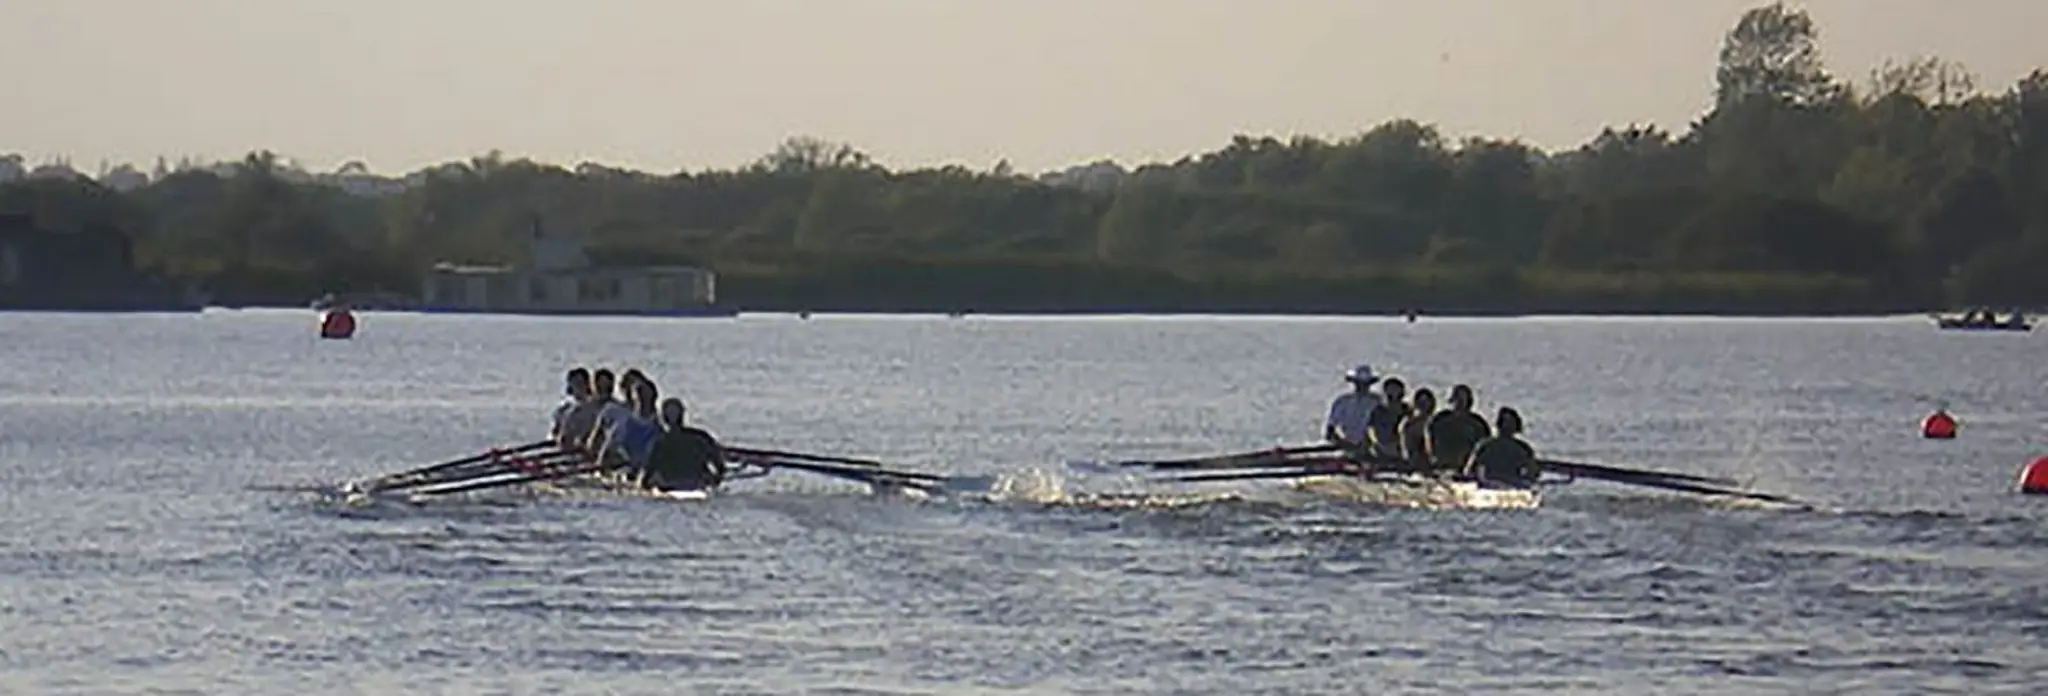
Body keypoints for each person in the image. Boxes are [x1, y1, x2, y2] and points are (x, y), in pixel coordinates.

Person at [637, 397, 730, 492]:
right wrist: (716, 479)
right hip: (697, 484)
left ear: (663, 418)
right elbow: (720, 466)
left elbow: (646, 477)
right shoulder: (701, 437)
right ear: (683, 415)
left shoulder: (659, 442)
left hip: (669, 486)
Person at [597, 378, 665, 476]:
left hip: (651, 470)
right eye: (640, 397)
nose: (643, 400)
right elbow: (606, 452)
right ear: (634, 398)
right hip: (629, 470)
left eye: (646, 396)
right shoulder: (624, 424)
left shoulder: (660, 425)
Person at [1466, 407, 1541, 489]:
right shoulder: (1486, 446)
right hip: (1489, 486)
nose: (1506, 426)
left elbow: (1533, 472)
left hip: (1512, 486)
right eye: (1505, 423)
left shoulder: (1522, 449)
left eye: (1509, 423)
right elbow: (1472, 470)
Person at [1426, 384, 1491, 474]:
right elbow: (1430, 438)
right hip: (1442, 466)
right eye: (1458, 398)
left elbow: (1484, 445)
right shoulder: (1440, 419)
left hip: (1467, 468)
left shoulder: (1477, 423)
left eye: (1463, 399)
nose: (1460, 402)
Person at [1324, 365, 1380, 449]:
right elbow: (1331, 428)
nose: (1362, 386)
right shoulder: (1342, 401)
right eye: (1359, 383)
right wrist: (1342, 441)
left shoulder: (1377, 401)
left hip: (1372, 447)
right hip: (1345, 445)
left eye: (1365, 383)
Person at [1365, 377, 1409, 459]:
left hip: (1401, 448)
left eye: (1396, 389)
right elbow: (1370, 429)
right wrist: (1376, 444)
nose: (1394, 392)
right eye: (1391, 389)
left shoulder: (1407, 410)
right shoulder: (1379, 411)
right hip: (1381, 447)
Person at [1399, 387, 1437, 472]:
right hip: (1412, 460)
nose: (1424, 405)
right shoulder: (1409, 422)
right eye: (1421, 402)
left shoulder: (1435, 421)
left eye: (1426, 402)